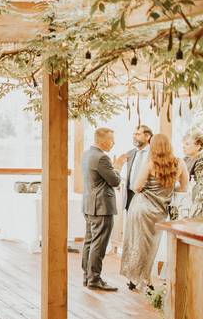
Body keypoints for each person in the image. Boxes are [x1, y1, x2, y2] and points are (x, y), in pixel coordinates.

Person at [120, 134, 188, 292]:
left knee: (137, 242)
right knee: (152, 246)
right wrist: (167, 190)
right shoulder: (180, 163)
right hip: (159, 211)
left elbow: (136, 187)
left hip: (142, 207)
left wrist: (150, 190)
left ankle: (134, 278)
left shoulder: (150, 163)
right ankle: (146, 278)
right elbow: (183, 188)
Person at [81, 128, 127, 291]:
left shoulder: (87, 154)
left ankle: (87, 276)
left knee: (89, 241)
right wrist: (118, 166)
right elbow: (114, 181)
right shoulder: (102, 158)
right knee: (99, 244)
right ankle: (95, 278)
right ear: (102, 141)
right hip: (101, 207)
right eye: (111, 140)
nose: (113, 143)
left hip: (89, 204)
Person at [124, 125, 153, 211]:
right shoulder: (130, 153)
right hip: (130, 196)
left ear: (147, 136)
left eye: (137, 134)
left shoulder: (154, 153)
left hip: (147, 197)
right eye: (133, 134)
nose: (134, 136)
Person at [182, 131, 203, 218]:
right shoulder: (185, 159)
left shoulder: (200, 161)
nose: (183, 146)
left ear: (198, 146)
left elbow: (199, 186)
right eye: (183, 144)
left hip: (194, 200)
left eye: (187, 144)